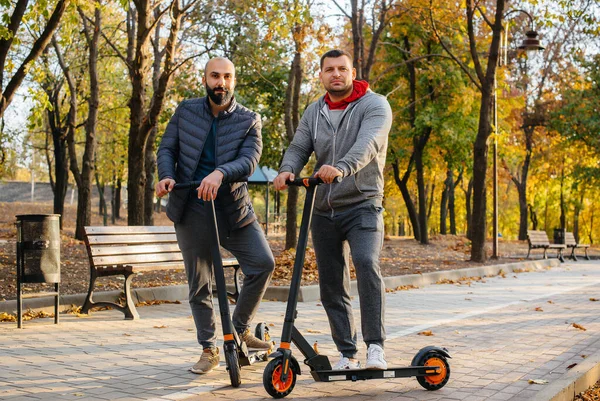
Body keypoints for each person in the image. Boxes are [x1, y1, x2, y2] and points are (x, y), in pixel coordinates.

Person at [273, 49, 392, 370]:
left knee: (367, 264)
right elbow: (299, 146)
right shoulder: (315, 111)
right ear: (322, 75)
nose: (336, 74)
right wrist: (287, 169)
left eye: (342, 69)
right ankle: (347, 353)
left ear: (353, 72)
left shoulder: (375, 105)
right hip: (324, 207)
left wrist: (340, 167)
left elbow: (369, 144)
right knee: (330, 283)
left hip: (363, 204)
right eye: (329, 69)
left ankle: (376, 348)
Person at [156, 57, 275, 375]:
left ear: (234, 81)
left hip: (234, 209)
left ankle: (238, 331)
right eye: (214, 76)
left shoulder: (250, 119)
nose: (220, 82)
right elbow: (167, 148)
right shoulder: (185, 111)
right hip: (191, 207)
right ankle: (210, 348)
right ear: (205, 79)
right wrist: (167, 175)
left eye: (227, 77)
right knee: (200, 284)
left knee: (263, 263)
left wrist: (220, 173)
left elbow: (250, 161)